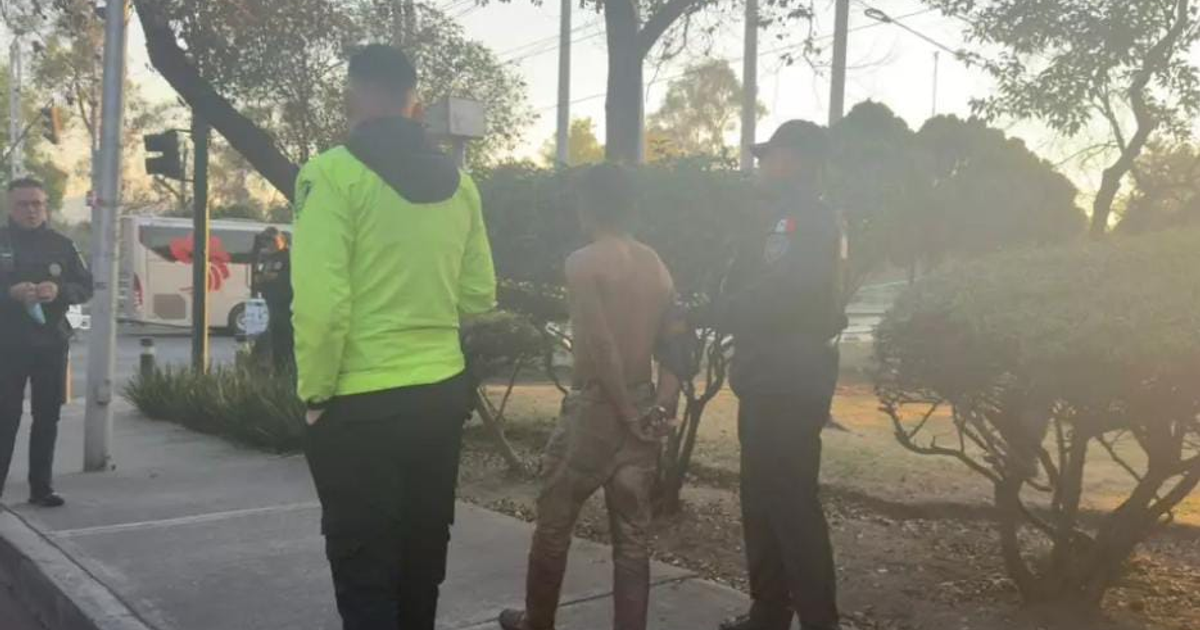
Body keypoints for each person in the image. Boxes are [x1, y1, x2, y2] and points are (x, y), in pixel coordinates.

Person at [291, 44, 496, 630]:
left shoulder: (329, 173)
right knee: (421, 556)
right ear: (417, 104)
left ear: (352, 97)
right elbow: (479, 293)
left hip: (357, 405)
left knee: (364, 569)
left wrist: (315, 396)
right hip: (439, 398)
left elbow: (323, 308)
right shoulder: (462, 185)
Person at [499, 163, 690, 630]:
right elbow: (677, 344)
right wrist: (661, 407)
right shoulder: (658, 266)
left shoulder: (582, 262)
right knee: (632, 537)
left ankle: (537, 622)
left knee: (554, 524)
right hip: (643, 407)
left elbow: (600, 344)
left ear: (588, 206)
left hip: (597, 410)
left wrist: (624, 412)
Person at [717, 121, 848, 630]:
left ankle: (819, 621)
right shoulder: (782, 218)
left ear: (791, 159)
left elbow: (779, 295)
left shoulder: (805, 222)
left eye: (768, 156)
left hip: (790, 381)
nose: (760, 165)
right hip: (769, 377)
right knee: (761, 500)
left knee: (791, 506)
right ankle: (768, 612)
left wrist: (712, 311)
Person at [0, 177, 93, 508]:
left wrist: (60, 292)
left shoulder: (62, 245)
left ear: (46, 207)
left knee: (47, 417)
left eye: (37, 203)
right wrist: (8, 294)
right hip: (7, 346)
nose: (31, 210)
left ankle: (41, 488)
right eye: (23, 204)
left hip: (50, 344)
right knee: (5, 417)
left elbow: (85, 285)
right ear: (11, 207)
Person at [250, 226, 294, 372]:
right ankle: (278, 369)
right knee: (274, 340)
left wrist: (267, 278)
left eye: (272, 240)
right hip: (271, 303)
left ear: (281, 240)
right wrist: (263, 278)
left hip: (285, 305)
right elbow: (259, 277)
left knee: (285, 340)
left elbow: (277, 278)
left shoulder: (288, 257)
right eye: (266, 241)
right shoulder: (267, 258)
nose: (269, 244)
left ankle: (287, 369)